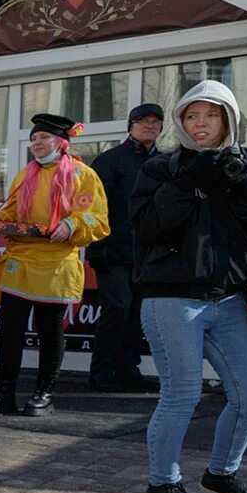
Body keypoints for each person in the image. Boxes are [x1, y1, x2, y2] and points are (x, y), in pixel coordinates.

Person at [131, 79, 247, 493]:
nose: (200, 124)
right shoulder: (163, 167)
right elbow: (146, 226)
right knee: (181, 393)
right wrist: (188, 180)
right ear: (180, 121)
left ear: (228, 118)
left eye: (211, 115)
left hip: (233, 298)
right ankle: (162, 484)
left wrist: (239, 182)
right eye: (191, 116)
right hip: (172, 299)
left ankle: (221, 473)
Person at [0, 115, 110, 417]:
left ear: (61, 143)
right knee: (10, 330)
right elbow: (9, 210)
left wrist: (72, 224)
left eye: (43, 139)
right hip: (20, 260)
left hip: (56, 262)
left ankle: (44, 393)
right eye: (34, 140)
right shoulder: (26, 173)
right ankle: (3, 392)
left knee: (50, 332)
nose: (37, 145)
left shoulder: (83, 174)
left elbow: (98, 219)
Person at [88, 104, 165, 392]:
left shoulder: (166, 162)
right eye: (143, 121)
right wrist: (97, 248)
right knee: (117, 309)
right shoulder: (109, 160)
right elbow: (94, 208)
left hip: (148, 255)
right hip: (112, 251)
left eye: (155, 122)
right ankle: (101, 372)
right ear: (130, 126)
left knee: (137, 313)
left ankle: (127, 370)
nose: (150, 126)